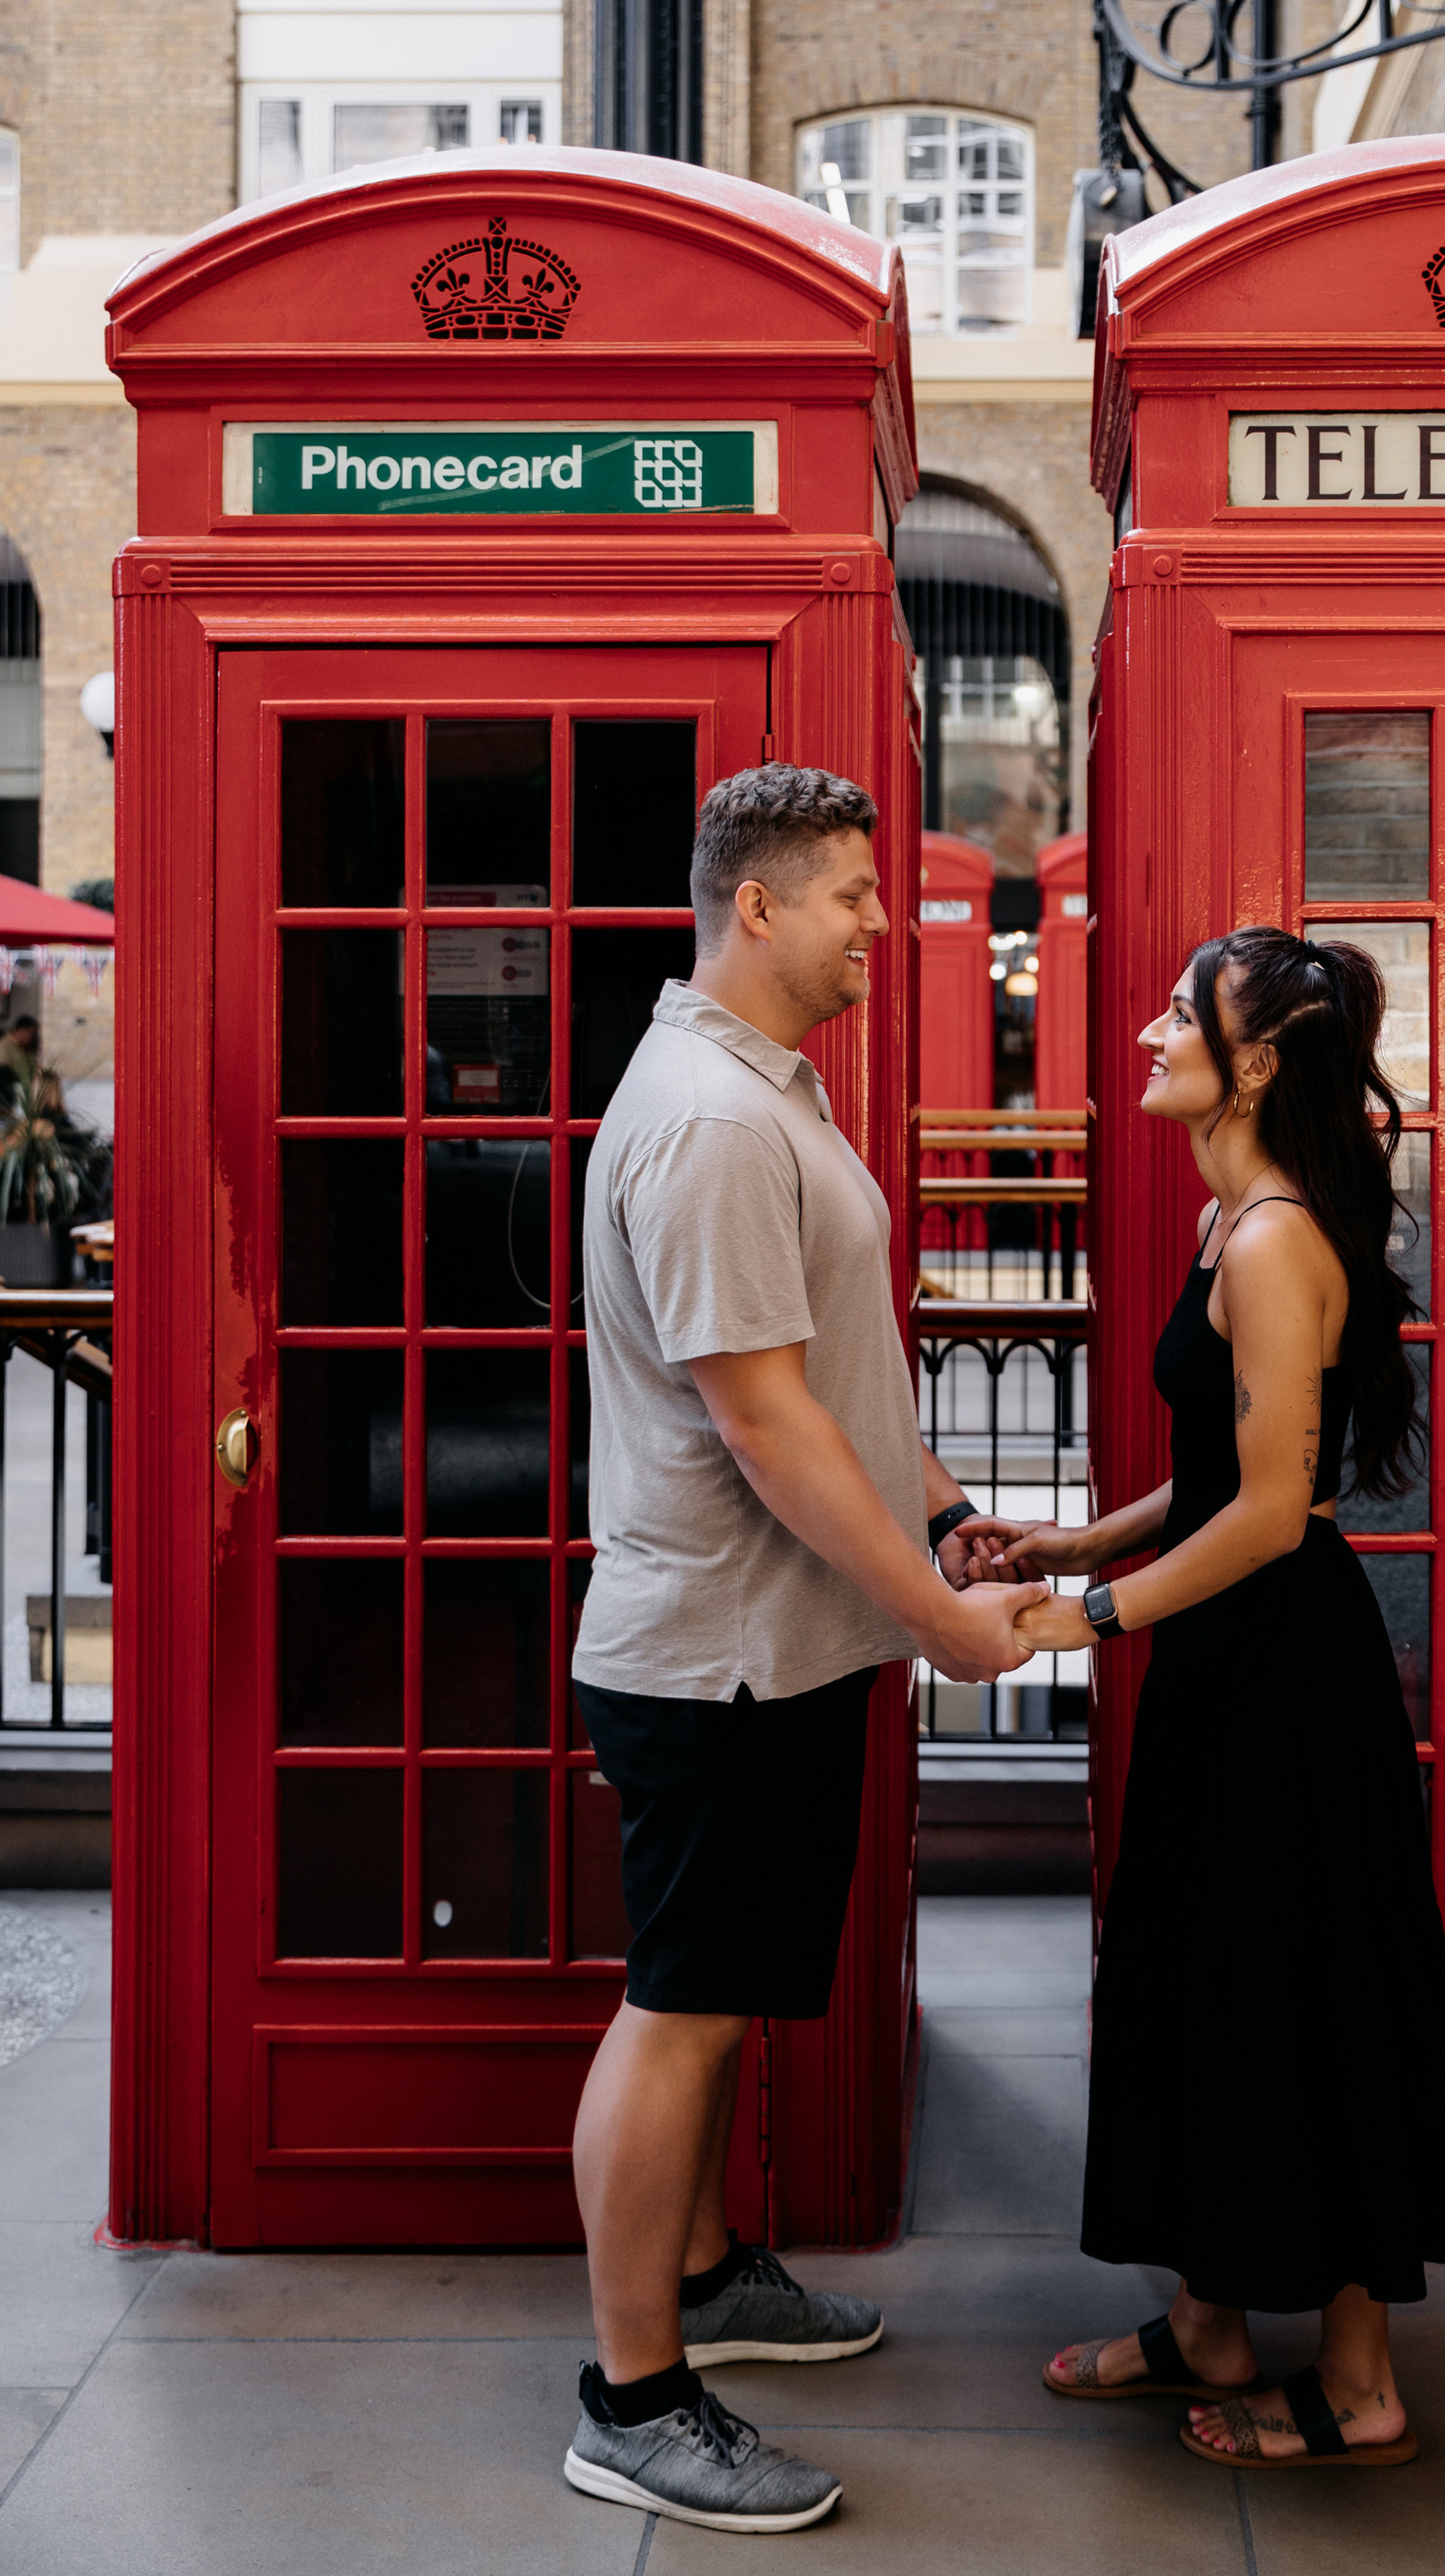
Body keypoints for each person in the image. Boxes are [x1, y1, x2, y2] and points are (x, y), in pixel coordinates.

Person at [563, 763, 1038, 2536]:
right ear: (750, 908)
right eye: (845, 893)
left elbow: (827, 1370)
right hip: (720, 1653)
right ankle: (630, 2395)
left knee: (729, 1988)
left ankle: (703, 2278)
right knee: (679, 2013)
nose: (876, 919)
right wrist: (938, 1623)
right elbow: (758, 1421)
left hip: (788, 1639)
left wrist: (932, 1511)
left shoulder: (772, 1090)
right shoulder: (706, 1119)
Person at [975, 925, 1445, 2474]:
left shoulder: (1270, 1240)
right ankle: (1204, 2318)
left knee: (1305, 1994)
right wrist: (1083, 1532)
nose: (1143, 1032)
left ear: (1254, 1062)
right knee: (1204, 1980)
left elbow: (1274, 1513)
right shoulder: (1232, 1222)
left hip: (1282, 1678)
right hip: (1229, 1660)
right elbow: (1219, 1476)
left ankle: (1361, 2381)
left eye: (1176, 1016)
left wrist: (1094, 1612)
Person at [0, 1012, 61, 1111]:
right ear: (22, 1031)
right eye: (31, 1034)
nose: (32, 1037)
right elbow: (1, 1073)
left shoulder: (25, 1049)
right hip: (8, 1090)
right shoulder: (2, 1047)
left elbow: (33, 1067)